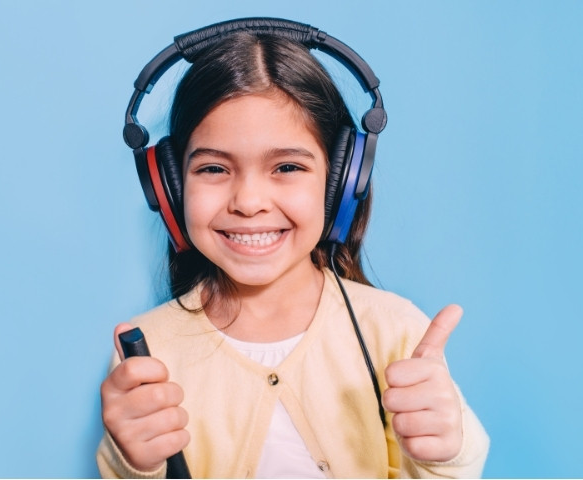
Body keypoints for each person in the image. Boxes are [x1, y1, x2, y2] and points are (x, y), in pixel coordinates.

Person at [98, 19, 489, 479]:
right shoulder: (148, 352)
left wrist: (444, 453)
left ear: (341, 183)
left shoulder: (395, 332)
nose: (248, 203)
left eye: (286, 166)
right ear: (170, 187)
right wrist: (135, 465)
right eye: (213, 169)